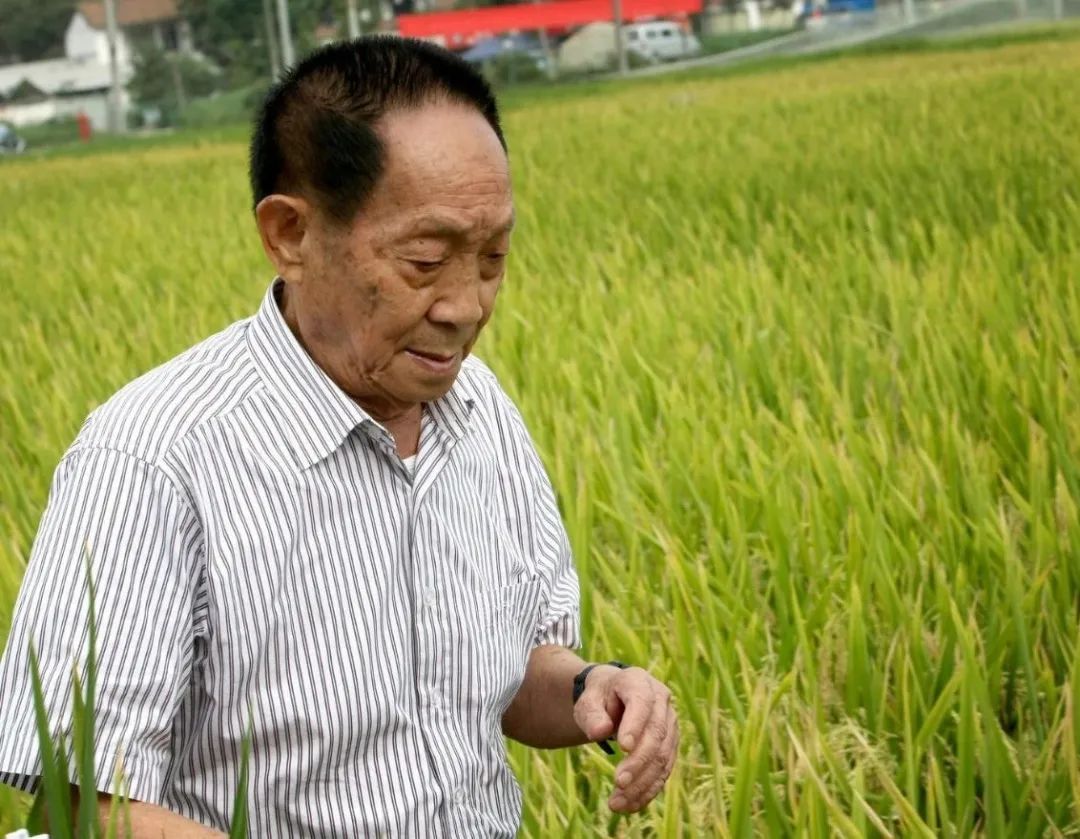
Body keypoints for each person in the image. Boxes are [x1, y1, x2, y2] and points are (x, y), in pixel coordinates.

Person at [0, 37, 679, 837]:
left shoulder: (478, 409)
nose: (467, 305)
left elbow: (504, 673)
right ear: (290, 233)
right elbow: (80, 798)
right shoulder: (153, 458)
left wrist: (594, 688)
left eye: (493, 258)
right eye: (426, 260)